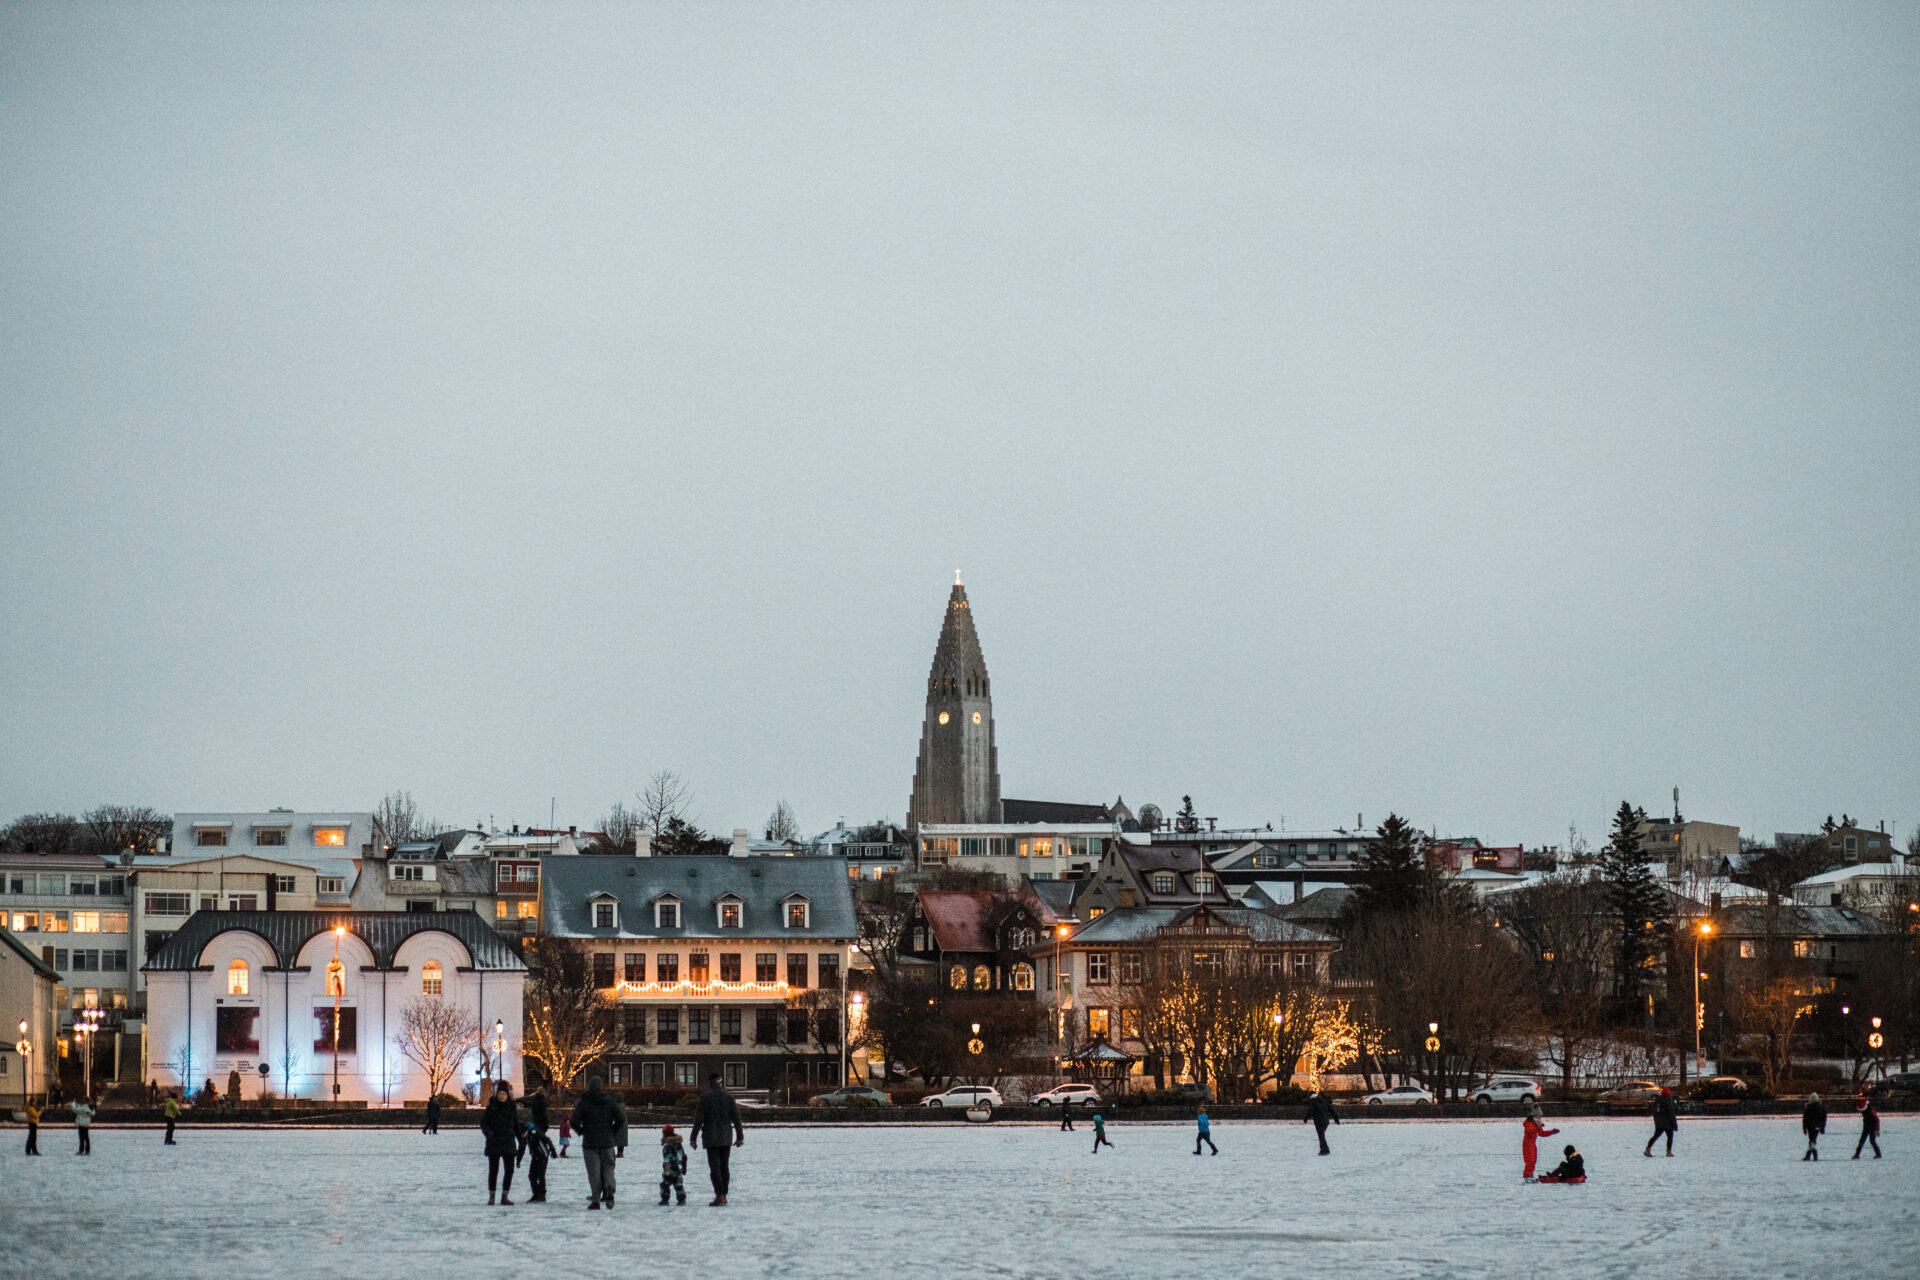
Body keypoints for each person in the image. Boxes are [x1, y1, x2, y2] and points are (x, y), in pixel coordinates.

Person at [570, 1074, 629, 1209]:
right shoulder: (609, 1101)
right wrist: (612, 1131)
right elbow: (620, 1119)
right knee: (608, 1168)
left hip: (590, 1142)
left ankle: (596, 1200)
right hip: (607, 1141)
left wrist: (582, 1131)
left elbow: (573, 1122)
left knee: (594, 1172)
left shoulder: (584, 1102)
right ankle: (609, 1187)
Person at [690, 1072, 745, 1206]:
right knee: (724, 1166)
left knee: (714, 1167)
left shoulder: (705, 1097)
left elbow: (699, 1120)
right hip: (726, 1136)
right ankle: (724, 1195)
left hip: (710, 1136)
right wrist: (740, 1137)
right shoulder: (729, 1097)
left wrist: (693, 1138)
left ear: (710, 1082)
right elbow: (736, 1118)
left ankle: (719, 1194)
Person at [482, 1080, 519, 1205]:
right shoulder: (491, 1108)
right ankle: (492, 1196)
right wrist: (489, 1134)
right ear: (497, 1095)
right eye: (500, 1094)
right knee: (493, 1170)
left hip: (508, 1142)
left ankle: (504, 1196)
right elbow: (484, 1124)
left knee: (509, 1170)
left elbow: (516, 1125)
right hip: (495, 1142)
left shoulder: (511, 1108)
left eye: (504, 1094)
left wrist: (521, 1140)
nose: (502, 1096)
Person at [518, 1115, 557, 1202]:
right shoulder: (525, 1135)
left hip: (543, 1155)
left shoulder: (534, 1132)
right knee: (532, 1175)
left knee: (540, 1175)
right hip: (535, 1156)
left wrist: (552, 1150)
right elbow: (522, 1148)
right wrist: (518, 1160)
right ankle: (536, 1194)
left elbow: (547, 1139)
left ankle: (542, 1195)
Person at [1521, 1113, 1560, 1180]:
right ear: (1534, 1117)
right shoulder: (1529, 1124)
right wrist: (1538, 1126)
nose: (1540, 1119)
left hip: (1532, 1145)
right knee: (1530, 1163)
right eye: (1539, 1117)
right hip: (1528, 1145)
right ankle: (1527, 1178)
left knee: (1533, 1162)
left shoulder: (1536, 1124)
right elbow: (1532, 1133)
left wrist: (1552, 1132)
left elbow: (1541, 1133)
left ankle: (1530, 1177)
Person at [1643, 1087, 1678, 1158]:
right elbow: (1671, 1113)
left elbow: (1654, 1111)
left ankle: (1648, 1149)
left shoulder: (1657, 1100)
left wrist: (1656, 1120)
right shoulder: (1668, 1101)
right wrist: (1675, 1125)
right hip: (1667, 1123)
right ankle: (1668, 1152)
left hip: (1659, 1122)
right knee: (1670, 1137)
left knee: (1655, 1136)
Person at [659, 1124, 689, 1205]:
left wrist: (667, 1170)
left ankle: (665, 1200)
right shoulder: (679, 1144)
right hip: (679, 1168)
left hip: (671, 1168)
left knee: (665, 1184)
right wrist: (683, 1167)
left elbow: (667, 1158)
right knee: (678, 1184)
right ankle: (681, 1199)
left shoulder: (667, 1145)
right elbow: (683, 1157)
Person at [1305, 1091, 1339, 1156]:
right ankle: (1324, 1149)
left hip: (1319, 1121)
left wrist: (1306, 1119)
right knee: (1321, 1136)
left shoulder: (1313, 1102)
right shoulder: (1323, 1101)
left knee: (1321, 1136)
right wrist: (1336, 1119)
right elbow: (1331, 1110)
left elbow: (1310, 1111)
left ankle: (1325, 1150)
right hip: (1326, 1121)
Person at [1802, 1092, 1827, 1161]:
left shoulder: (1808, 1108)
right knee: (1812, 1140)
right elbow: (1824, 1119)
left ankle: (1813, 1154)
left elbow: (1805, 1119)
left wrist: (1804, 1128)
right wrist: (1822, 1127)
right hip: (1817, 1127)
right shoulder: (1821, 1108)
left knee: (1811, 1140)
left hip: (1810, 1127)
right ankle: (1809, 1155)